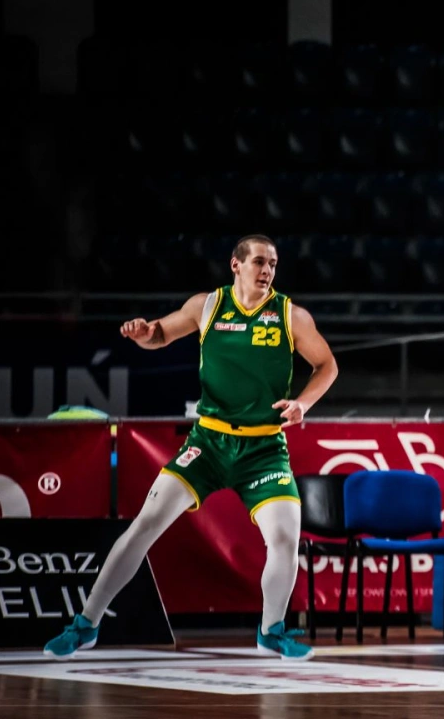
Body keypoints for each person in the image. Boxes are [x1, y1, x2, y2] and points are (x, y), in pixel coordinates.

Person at [44, 235, 338, 660]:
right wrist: (144, 334)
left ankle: (271, 631)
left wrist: (303, 403)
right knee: (144, 525)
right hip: (209, 442)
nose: (267, 270)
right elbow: (160, 335)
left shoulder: (291, 315)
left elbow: (327, 365)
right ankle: (86, 624)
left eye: (273, 263)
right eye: (259, 261)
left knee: (284, 536)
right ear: (236, 265)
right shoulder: (208, 306)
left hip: (264, 448)